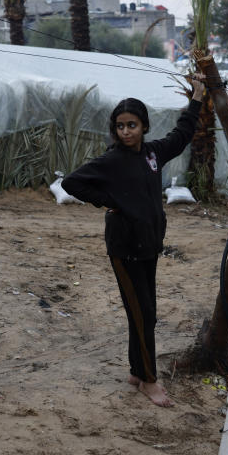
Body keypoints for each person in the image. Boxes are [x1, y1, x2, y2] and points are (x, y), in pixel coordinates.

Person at [62, 75, 206, 408]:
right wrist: (108, 200)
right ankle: (149, 382)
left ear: (144, 126)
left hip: (149, 245)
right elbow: (72, 183)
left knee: (144, 313)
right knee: (142, 314)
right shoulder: (112, 161)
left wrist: (198, 95)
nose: (126, 131)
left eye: (133, 125)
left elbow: (183, 133)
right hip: (125, 249)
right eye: (121, 126)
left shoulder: (154, 154)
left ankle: (136, 371)